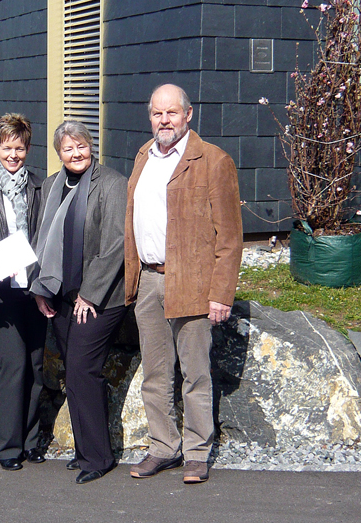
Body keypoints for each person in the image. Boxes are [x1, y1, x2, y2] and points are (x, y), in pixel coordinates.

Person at [125, 84, 243, 484]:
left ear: (188, 115)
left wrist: (221, 294)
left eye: (172, 113)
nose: (164, 120)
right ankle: (163, 446)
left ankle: (196, 451)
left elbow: (229, 237)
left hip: (191, 282)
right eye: (157, 113)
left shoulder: (212, 160)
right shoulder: (144, 155)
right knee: (156, 373)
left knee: (195, 374)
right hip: (149, 280)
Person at [31, 120, 128, 484]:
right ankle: (85, 449)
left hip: (99, 298)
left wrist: (89, 293)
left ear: (92, 146)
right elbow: (44, 238)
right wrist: (42, 289)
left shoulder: (113, 184)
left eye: (82, 146)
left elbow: (116, 243)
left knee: (82, 369)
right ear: (59, 154)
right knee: (74, 372)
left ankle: (98, 458)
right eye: (68, 149)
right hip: (61, 295)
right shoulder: (52, 184)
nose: (76, 153)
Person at [0, 113, 48, 471]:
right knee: (13, 365)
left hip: (35, 290)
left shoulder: (40, 188)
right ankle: (6, 446)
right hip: (1, 293)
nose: (13, 155)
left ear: (28, 148)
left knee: (35, 364)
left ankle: (31, 441)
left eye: (19, 148)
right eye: (7, 148)